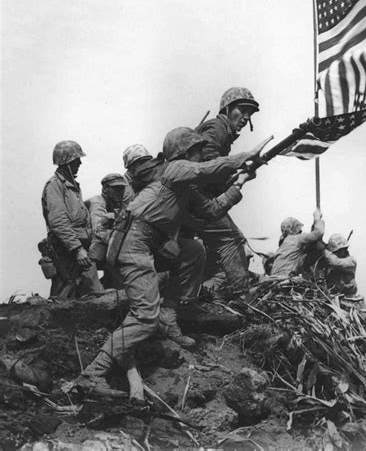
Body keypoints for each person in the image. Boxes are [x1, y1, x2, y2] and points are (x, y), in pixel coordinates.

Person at [75, 128, 271, 400]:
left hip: (150, 241)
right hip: (133, 242)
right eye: (196, 150)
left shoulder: (183, 186)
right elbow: (206, 170)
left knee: (192, 250)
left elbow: (213, 210)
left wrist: (240, 183)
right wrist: (245, 157)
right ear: (184, 153)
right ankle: (92, 374)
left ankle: (168, 317)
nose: (201, 153)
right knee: (144, 316)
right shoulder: (174, 169)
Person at [193, 87, 261, 298]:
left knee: (236, 239)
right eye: (242, 110)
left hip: (201, 200)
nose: (246, 117)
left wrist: (239, 173)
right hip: (198, 201)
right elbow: (207, 163)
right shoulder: (217, 129)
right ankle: (243, 296)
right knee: (230, 241)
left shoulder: (223, 132)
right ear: (227, 109)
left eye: (250, 113)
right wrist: (238, 170)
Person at [41, 141, 103, 298]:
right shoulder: (54, 186)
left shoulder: (72, 186)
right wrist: (77, 250)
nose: (80, 163)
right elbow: (58, 222)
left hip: (79, 248)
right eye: (76, 160)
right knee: (64, 297)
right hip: (67, 251)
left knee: (91, 293)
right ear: (66, 162)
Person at [87, 173, 127, 288]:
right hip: (85, 246)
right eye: (116, 188)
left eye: (122, 188)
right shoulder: (97, 202)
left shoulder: (117, 204)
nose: (120, 192)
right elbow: (98, 230)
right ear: (105, 189)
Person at [270, 210, 325, 280]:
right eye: (299, 230)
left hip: (273, 279)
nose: (301, 232)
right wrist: (317, 218)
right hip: (285, 278)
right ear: (295, 229)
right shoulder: (296, 239)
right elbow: (319, 233)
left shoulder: (284, 244)